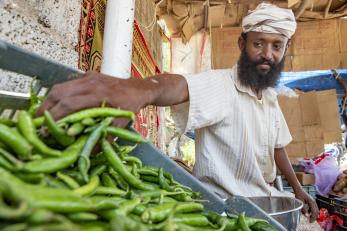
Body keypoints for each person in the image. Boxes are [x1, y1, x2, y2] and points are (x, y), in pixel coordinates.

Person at [38, 3, 318, 222]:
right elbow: (179, 86)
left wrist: (297, 188)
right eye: (259, 43)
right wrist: (140, 90)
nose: (267, 54)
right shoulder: (222, 85)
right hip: (224, 210)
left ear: (285, 49)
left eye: (276, 46)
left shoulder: (269, 97)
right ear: (242, 44)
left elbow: (278, 146)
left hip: (265, 204)